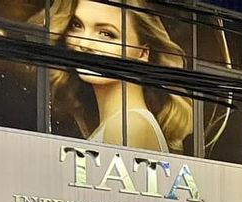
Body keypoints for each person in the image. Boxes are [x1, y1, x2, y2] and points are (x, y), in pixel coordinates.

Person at [30, 0, 193, 152]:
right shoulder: (119, 123)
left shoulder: (128, 126)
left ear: (143, 53)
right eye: (76, 25)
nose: (84, 44)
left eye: (106, 34)